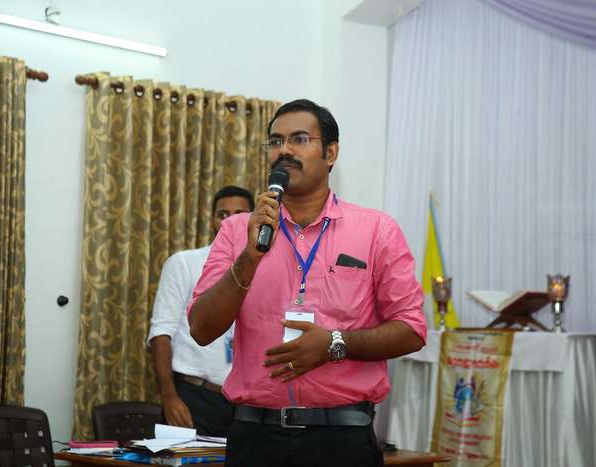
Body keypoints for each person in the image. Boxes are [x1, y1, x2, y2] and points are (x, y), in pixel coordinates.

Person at [188, 99, 427, 467]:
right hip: (254, 437)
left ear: (330, 153)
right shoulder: (238, 231)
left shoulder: (377, 230)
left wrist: (334, 344)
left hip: (341, 439)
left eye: (299, 139)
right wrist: (250, 256)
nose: (284, 150)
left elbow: (412, 329)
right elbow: (201, 329)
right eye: (275, 141)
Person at [147, 185, 254, 437]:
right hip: (195, 398)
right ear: (212, 220)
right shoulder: (184, 263)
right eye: (222, 214)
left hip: (248, 402)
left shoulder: (265, 266)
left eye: (239, 214)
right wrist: (169, 397)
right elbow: (161, 333)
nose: (229, 220)